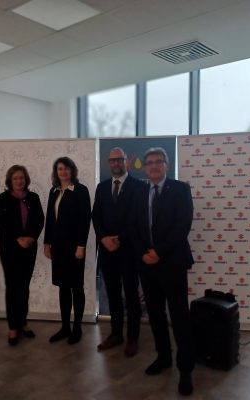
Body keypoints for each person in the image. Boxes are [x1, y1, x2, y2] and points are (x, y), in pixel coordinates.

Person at [129, 147, 195, 396]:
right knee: (155, 314)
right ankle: (164, 357)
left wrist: (159, 252)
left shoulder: (180, 189)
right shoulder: (139, 191)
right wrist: (143, 253)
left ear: (167, 165)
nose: (154, 165)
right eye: (150, 162)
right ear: (145, 167)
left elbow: (182, 225)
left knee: (179, 316)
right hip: (146, 264)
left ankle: (185, 369)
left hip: (172, 262)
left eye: (159, 161)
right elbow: (132, 226)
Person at [92, 147, 142, 357]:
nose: (115, 163)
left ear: (126, 161)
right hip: (107, 250)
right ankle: (116, 334)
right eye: (112, 160)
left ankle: (132, 337)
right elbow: (96, 216)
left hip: (129, 250)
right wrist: (103, 238)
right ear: (108, 163)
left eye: (119, 159)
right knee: (112, 294)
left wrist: (119, 238)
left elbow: (138, 218)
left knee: (131, 295)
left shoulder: (139, 186)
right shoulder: (102, 187)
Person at [0, 165, 44, 346]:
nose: (19, 181)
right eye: (15, 178)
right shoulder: (3, 198)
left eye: (21, 177)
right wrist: (17, 238)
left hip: (29, 248)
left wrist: (31, 238)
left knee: (24, 286)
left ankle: (23, 322)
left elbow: (39, 220)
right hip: (9, 248)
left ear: (26, 179)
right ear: (10, 180)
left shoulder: (33, 197)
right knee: (12, 287)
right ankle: (13, 327)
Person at [44, 157, 91, 345]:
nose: (63, 172)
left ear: (72, 170)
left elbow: (84, 220)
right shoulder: (54, 191)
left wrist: (81, 246)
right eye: (60, 169)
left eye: (66, 168)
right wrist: (47, 243)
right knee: (63, 287)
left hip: (75, 248)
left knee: (76, 287)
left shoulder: (80, 191)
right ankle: (65, 327)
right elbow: (50, 219)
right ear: (56, 172)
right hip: (58, 248)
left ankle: (77, 327)